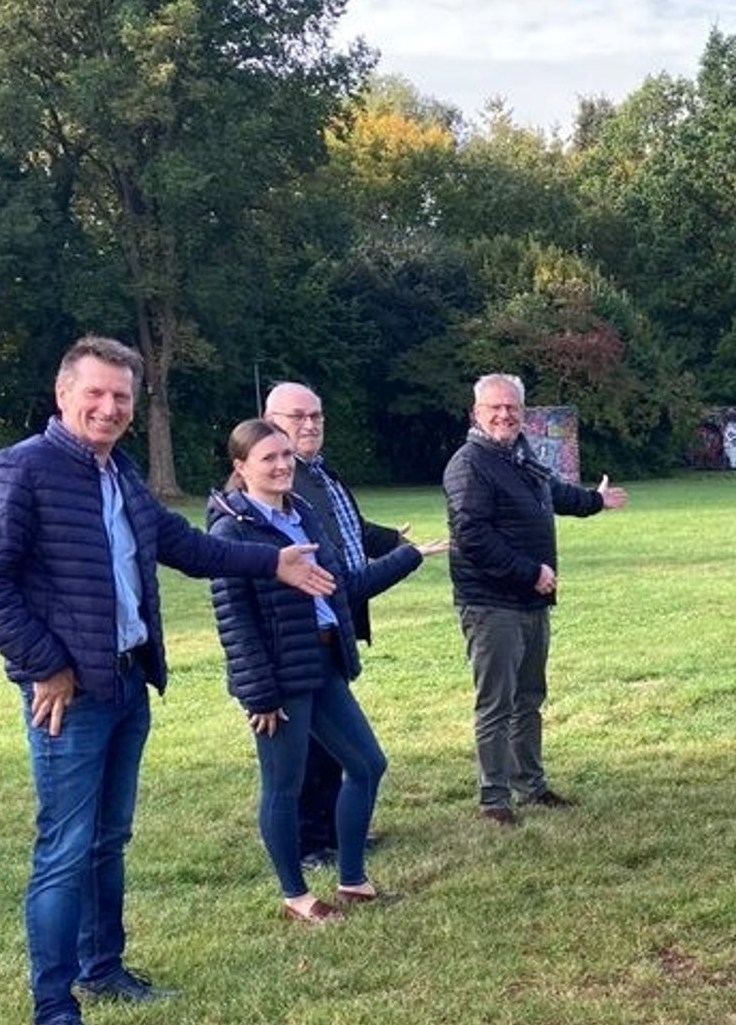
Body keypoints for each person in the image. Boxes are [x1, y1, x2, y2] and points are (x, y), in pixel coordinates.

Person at [0, 337, 336, 1025]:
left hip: (128, 682)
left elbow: (191, 548)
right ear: (64, 394)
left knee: (108, 838)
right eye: (95, 393)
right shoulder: (23, 469)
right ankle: (57, 1014)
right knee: (64, 850)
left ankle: (105, 968)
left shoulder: (121, 473)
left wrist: (274, 559)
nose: (109, 407)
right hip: (72, 697)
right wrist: (46, 664)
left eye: (122, 397)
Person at [207, 419, 445, 924]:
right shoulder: (233, 529)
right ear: (240, 467)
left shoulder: (306, 515)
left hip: (323, 660)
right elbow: (235, 622)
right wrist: (259, 695)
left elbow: (342, 588)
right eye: (267, 458)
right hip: (279, 677)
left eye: (286, 456)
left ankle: (353, 881)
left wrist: (408, 557)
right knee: (284, 784)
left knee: (366, 765)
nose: (280, 466)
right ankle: (295, 896)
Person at [442, 373, 628, 826]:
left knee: (529, 697)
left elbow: (552, 494)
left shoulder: (520, 456)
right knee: (497, 702)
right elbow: (472, 536)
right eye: (495, 408)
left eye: (513, 408)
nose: (505, 415)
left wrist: (594, 502)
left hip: (530, 602)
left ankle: (531, 784)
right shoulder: (470, 464)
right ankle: (494, 799)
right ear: (476, 414)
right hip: (492, 605)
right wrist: (531, 572)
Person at [262, 382, 409, 869]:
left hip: (333, 628)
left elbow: (352, 530)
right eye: (297, 417)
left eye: (316, 416)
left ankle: (334, 830)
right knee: (307, 747)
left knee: (332, 747)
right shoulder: (281, 485)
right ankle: (311, 844)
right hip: (298, 642)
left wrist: (393, 540)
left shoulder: (321, 475)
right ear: (270, 420)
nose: (309, 425)